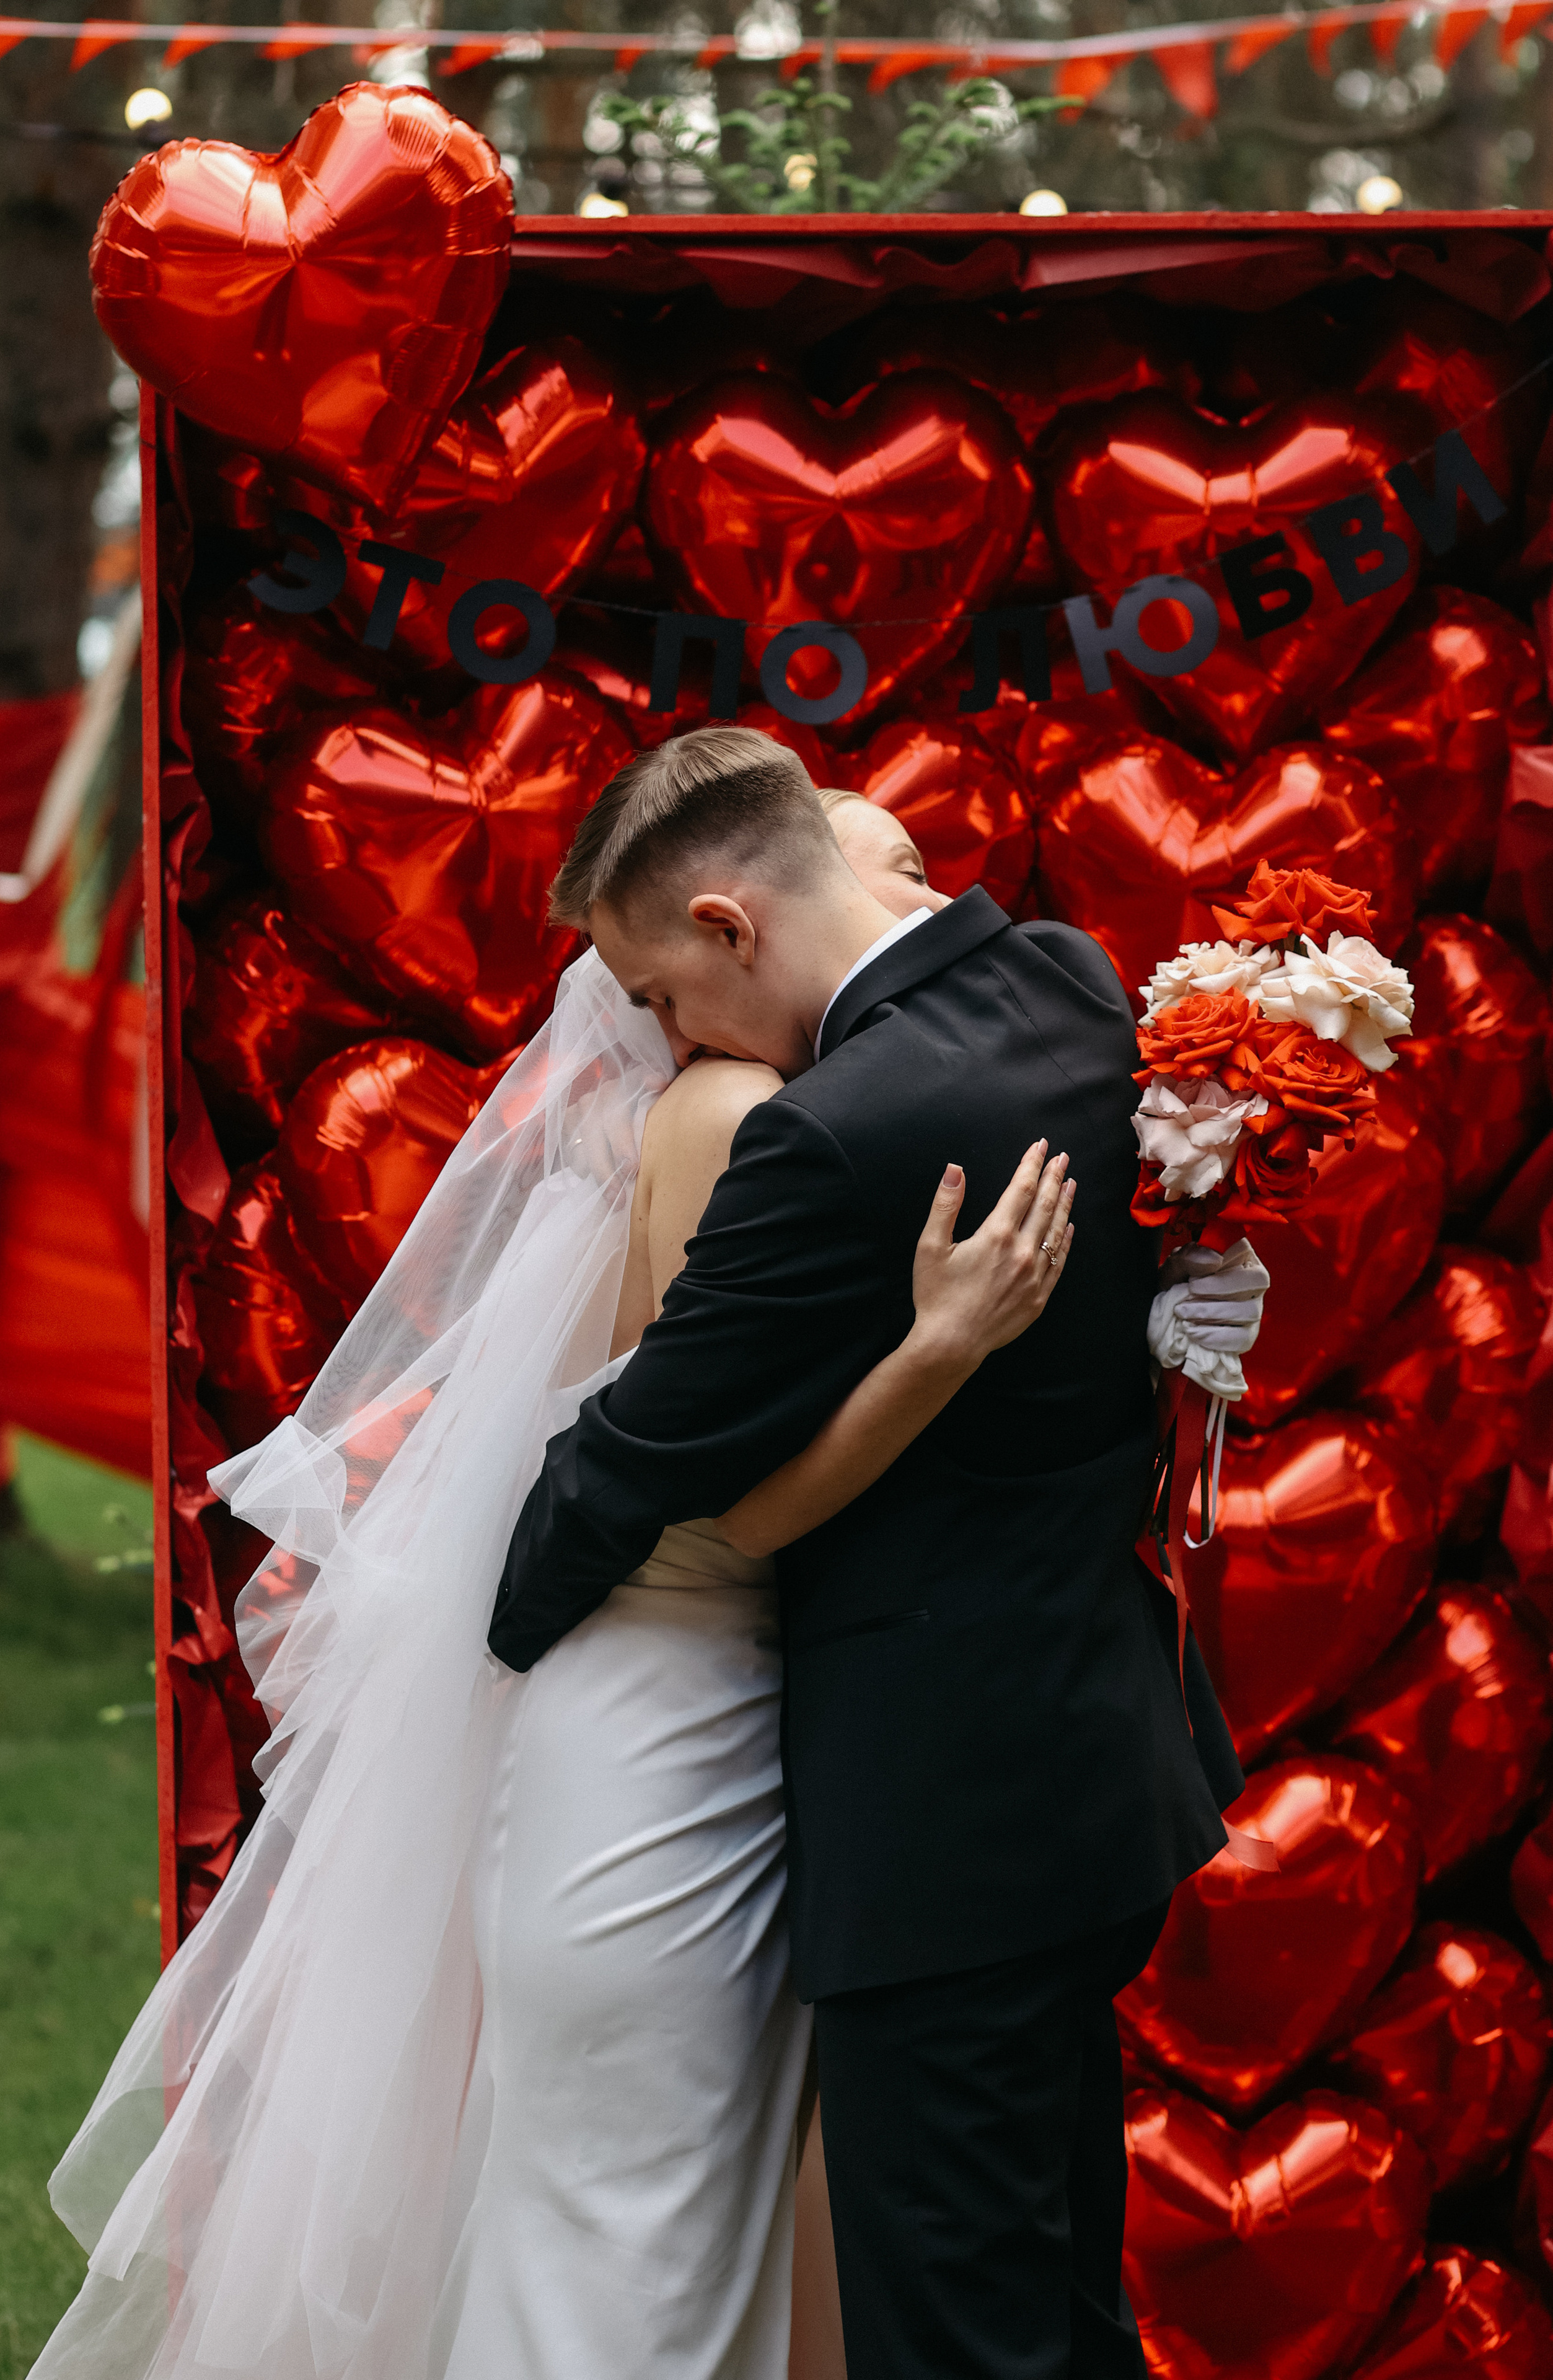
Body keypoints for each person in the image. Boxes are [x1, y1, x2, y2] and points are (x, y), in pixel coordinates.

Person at [488, 727, 1252, 2380]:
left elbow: (641, 1465)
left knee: (957, 2329)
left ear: (724, 925)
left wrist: (506, 1614)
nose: (667, 1036)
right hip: (1095, 1770)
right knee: (1057, 2295)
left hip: (945, 1824)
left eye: (659, 989)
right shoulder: (1069, 982)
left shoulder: (825, 1139)